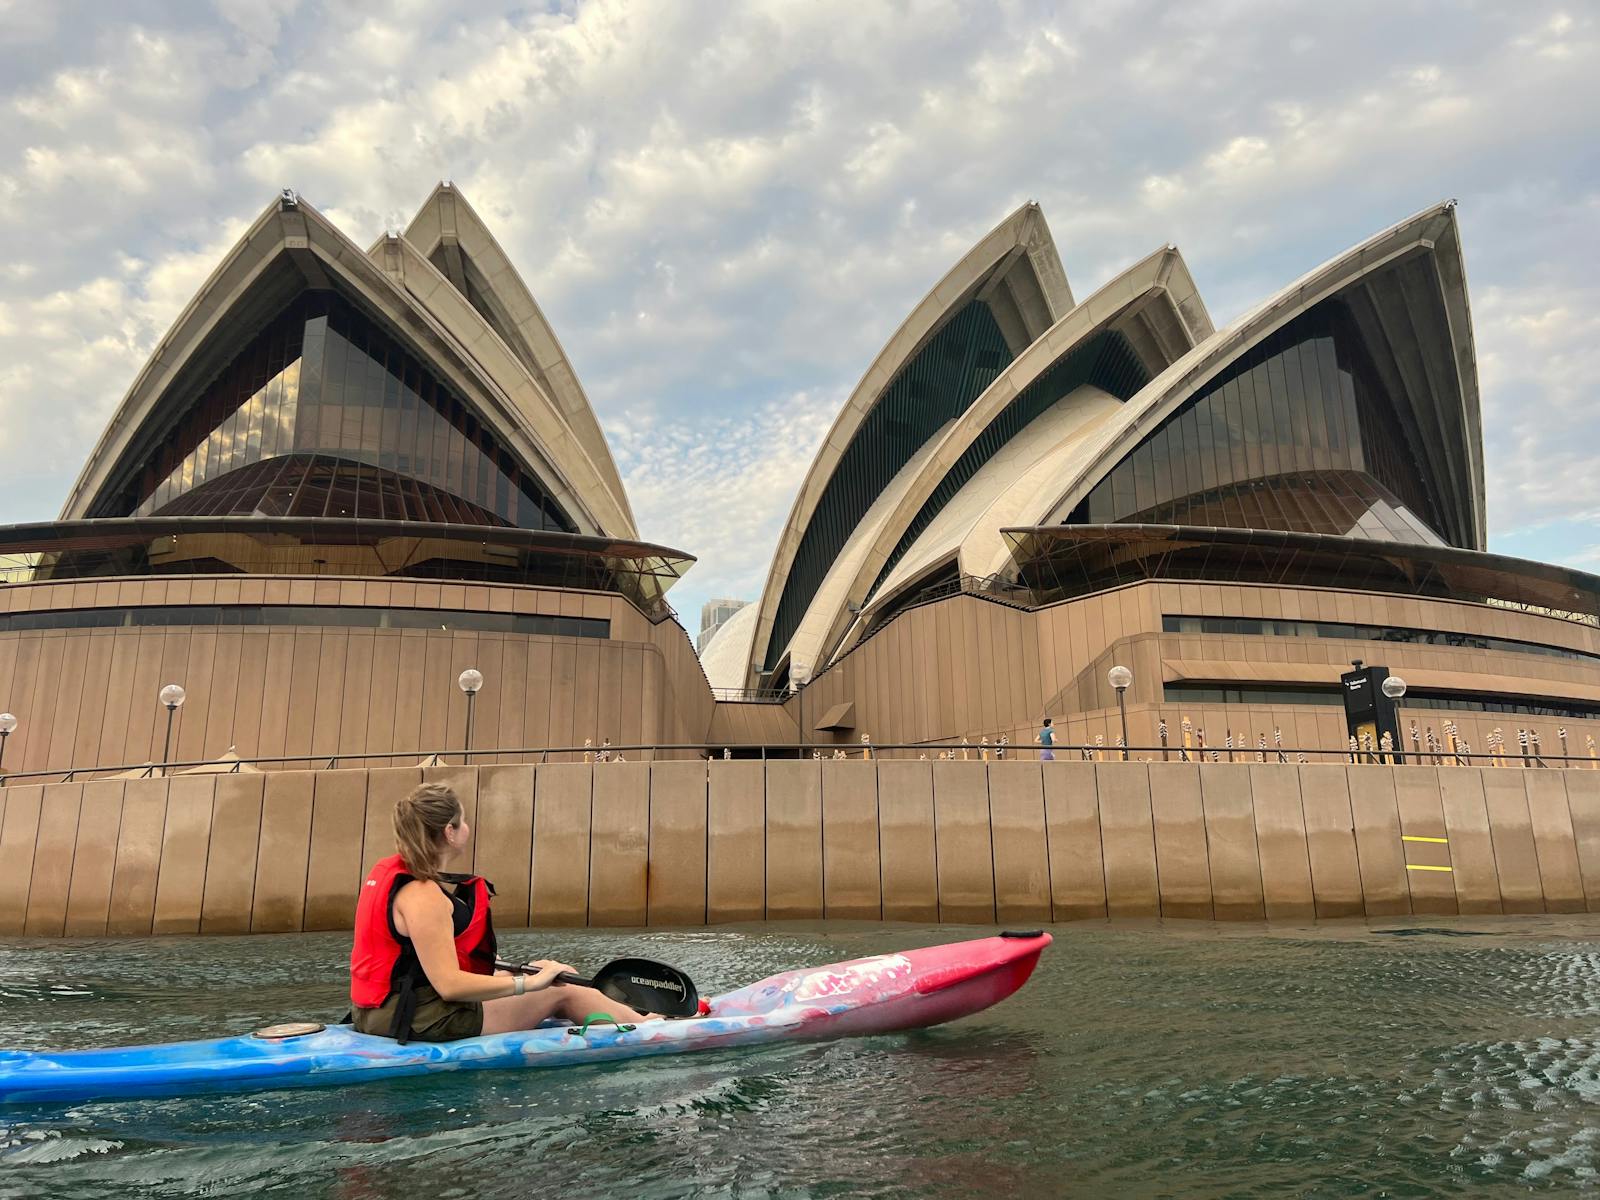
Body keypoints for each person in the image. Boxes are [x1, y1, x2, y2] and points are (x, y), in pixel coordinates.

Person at [350, 782, 649, 1044]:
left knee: (553, 970)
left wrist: (520, 975)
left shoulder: (391, 873)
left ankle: (636, 1015)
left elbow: (416, 964)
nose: (467, 828)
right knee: (563, 990)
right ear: (449, 832)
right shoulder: (423, 895)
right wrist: (527, 985)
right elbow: (449, 986)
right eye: (464, 821)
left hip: (381, 1011)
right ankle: (653, 1028)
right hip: (415, 1018)